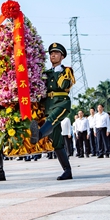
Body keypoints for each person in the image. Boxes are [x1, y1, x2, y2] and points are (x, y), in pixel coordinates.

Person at [29, 43, 74, 180]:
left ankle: (39, 134)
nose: (53, 55)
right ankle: (67, 171)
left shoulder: (67, 71)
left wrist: (58, 71)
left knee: (52, 119)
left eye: (56, 53)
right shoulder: (45, 74)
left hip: (61, 103)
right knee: (57, 141)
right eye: (51, 53)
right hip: (49, 105)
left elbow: (64, 85)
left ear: (62, 56)